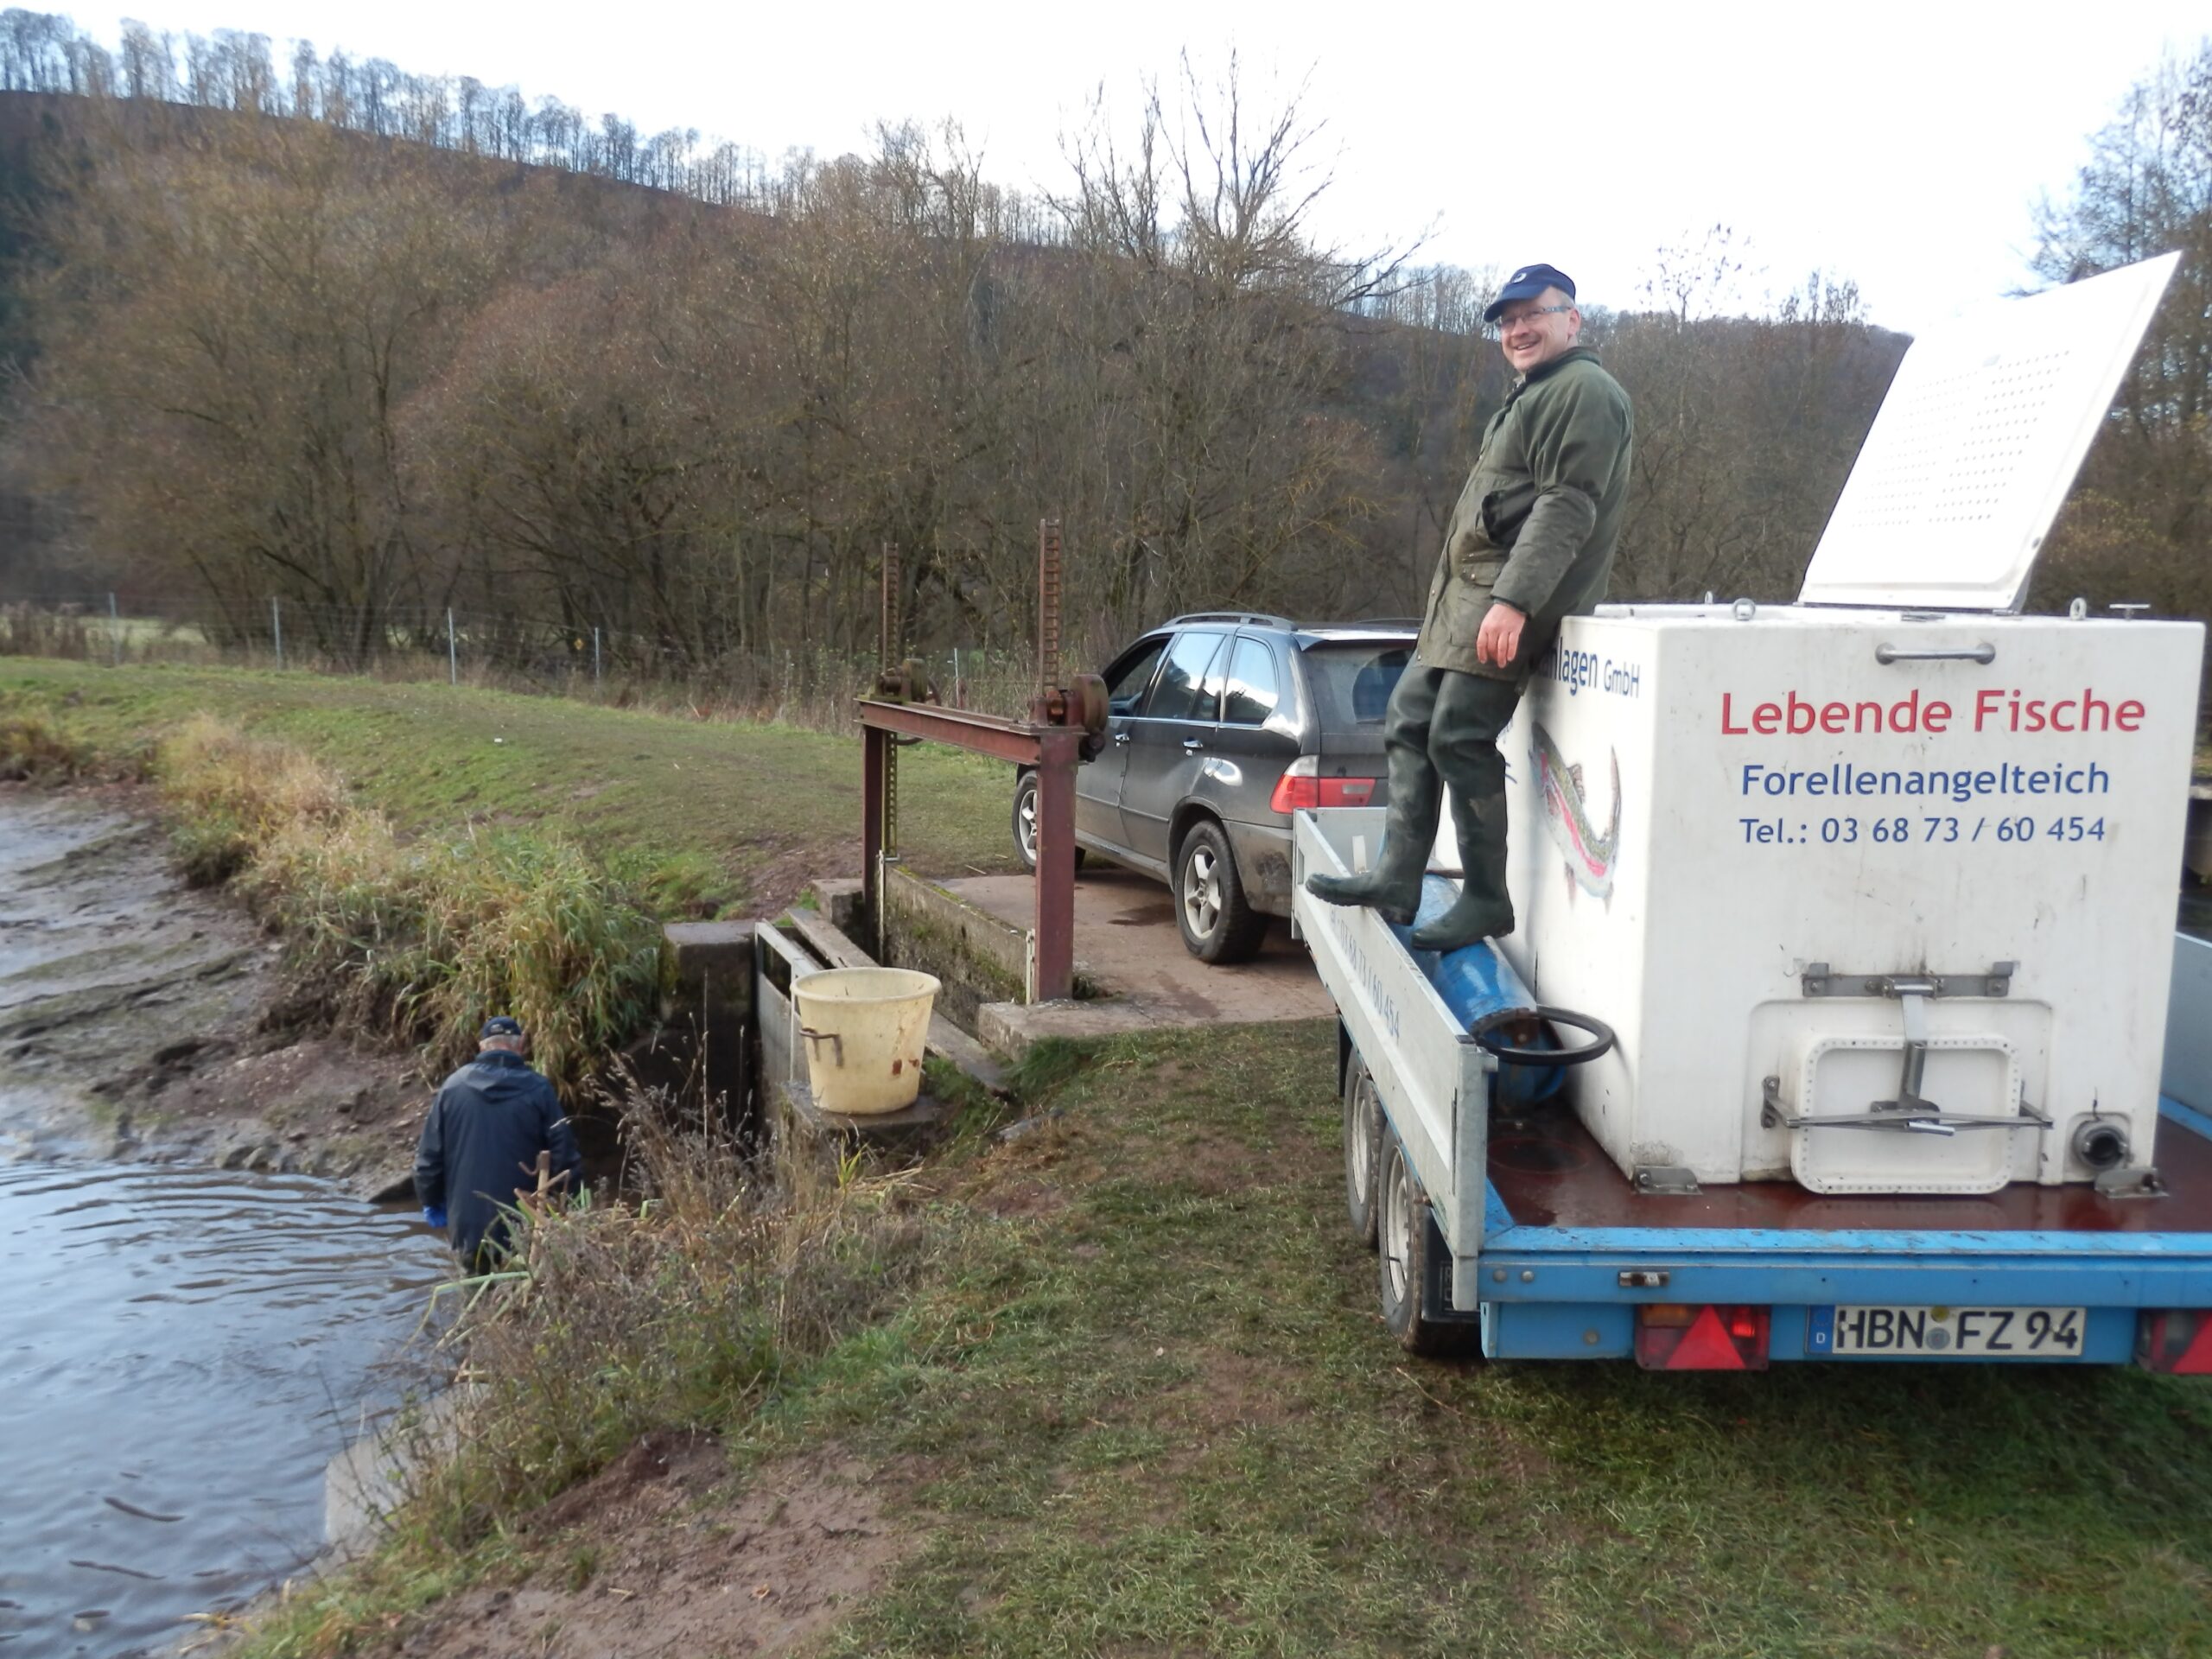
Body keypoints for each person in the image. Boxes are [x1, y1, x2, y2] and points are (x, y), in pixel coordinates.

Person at [1306, 262, 1633, 951]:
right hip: (1469, 593)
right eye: (1507, 321)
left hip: (1512, 594)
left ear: (1571, 318)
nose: (1517, 329)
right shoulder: (1532, 393)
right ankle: (1399, 875)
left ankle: (1487, 897)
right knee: (1409, 719)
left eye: (1532, 315)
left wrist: (1515, 602)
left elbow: (1568, 504)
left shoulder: (1584, 390)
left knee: (1457, 732)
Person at [414, 1015, 582, 1268]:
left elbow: (428, 1162)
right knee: (524, 1297)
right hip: (525, 1223)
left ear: (482, 1046)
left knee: (474, 1298)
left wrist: (431, 1201)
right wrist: (573, 1211)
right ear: (521, 1044)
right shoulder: (539, 1090)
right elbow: (565, 1157)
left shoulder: (453, 1087)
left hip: (468, 1226)